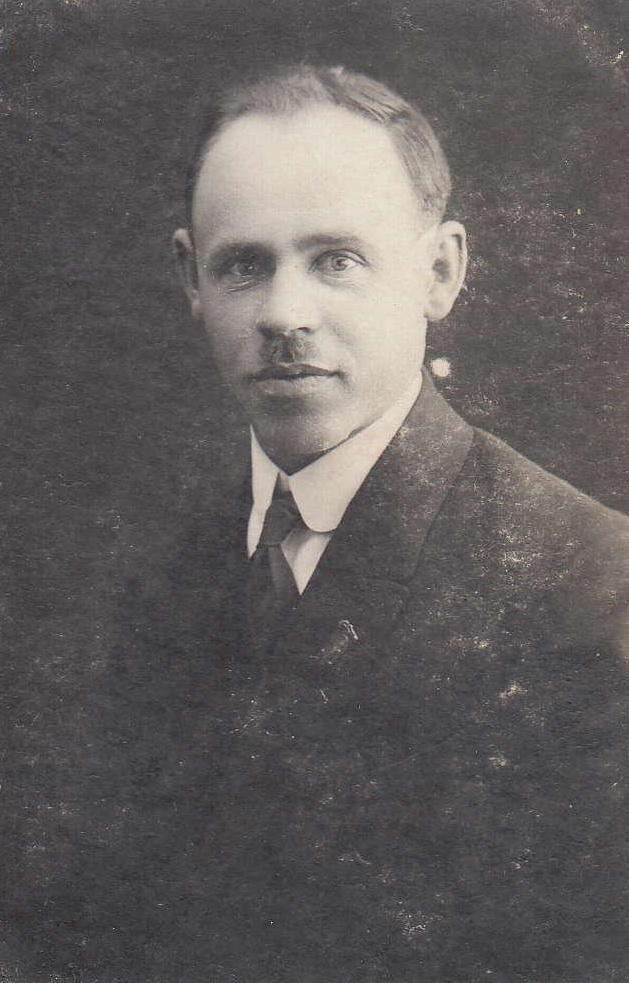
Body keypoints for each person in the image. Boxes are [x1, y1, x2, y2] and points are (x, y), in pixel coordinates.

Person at [18, 64, 629, 983]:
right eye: (244, 265)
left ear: (438, 271)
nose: (283, 314)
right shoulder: (164, 568)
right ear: (190, 277)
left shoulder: (592, 590)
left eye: (336, 259)